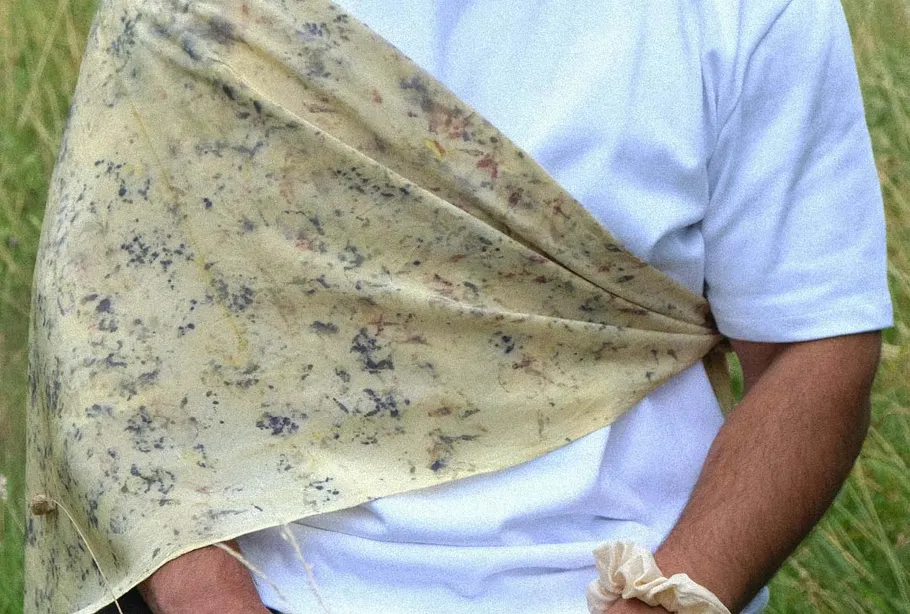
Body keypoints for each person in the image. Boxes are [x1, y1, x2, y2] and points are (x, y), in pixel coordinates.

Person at [92, 0, 890, 611]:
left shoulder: (737, 13)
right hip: (296, 590)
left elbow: (811, 351)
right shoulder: (186, 19)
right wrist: (208, 598)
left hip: (626, 580)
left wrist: (669, 598)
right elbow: (118, 350)